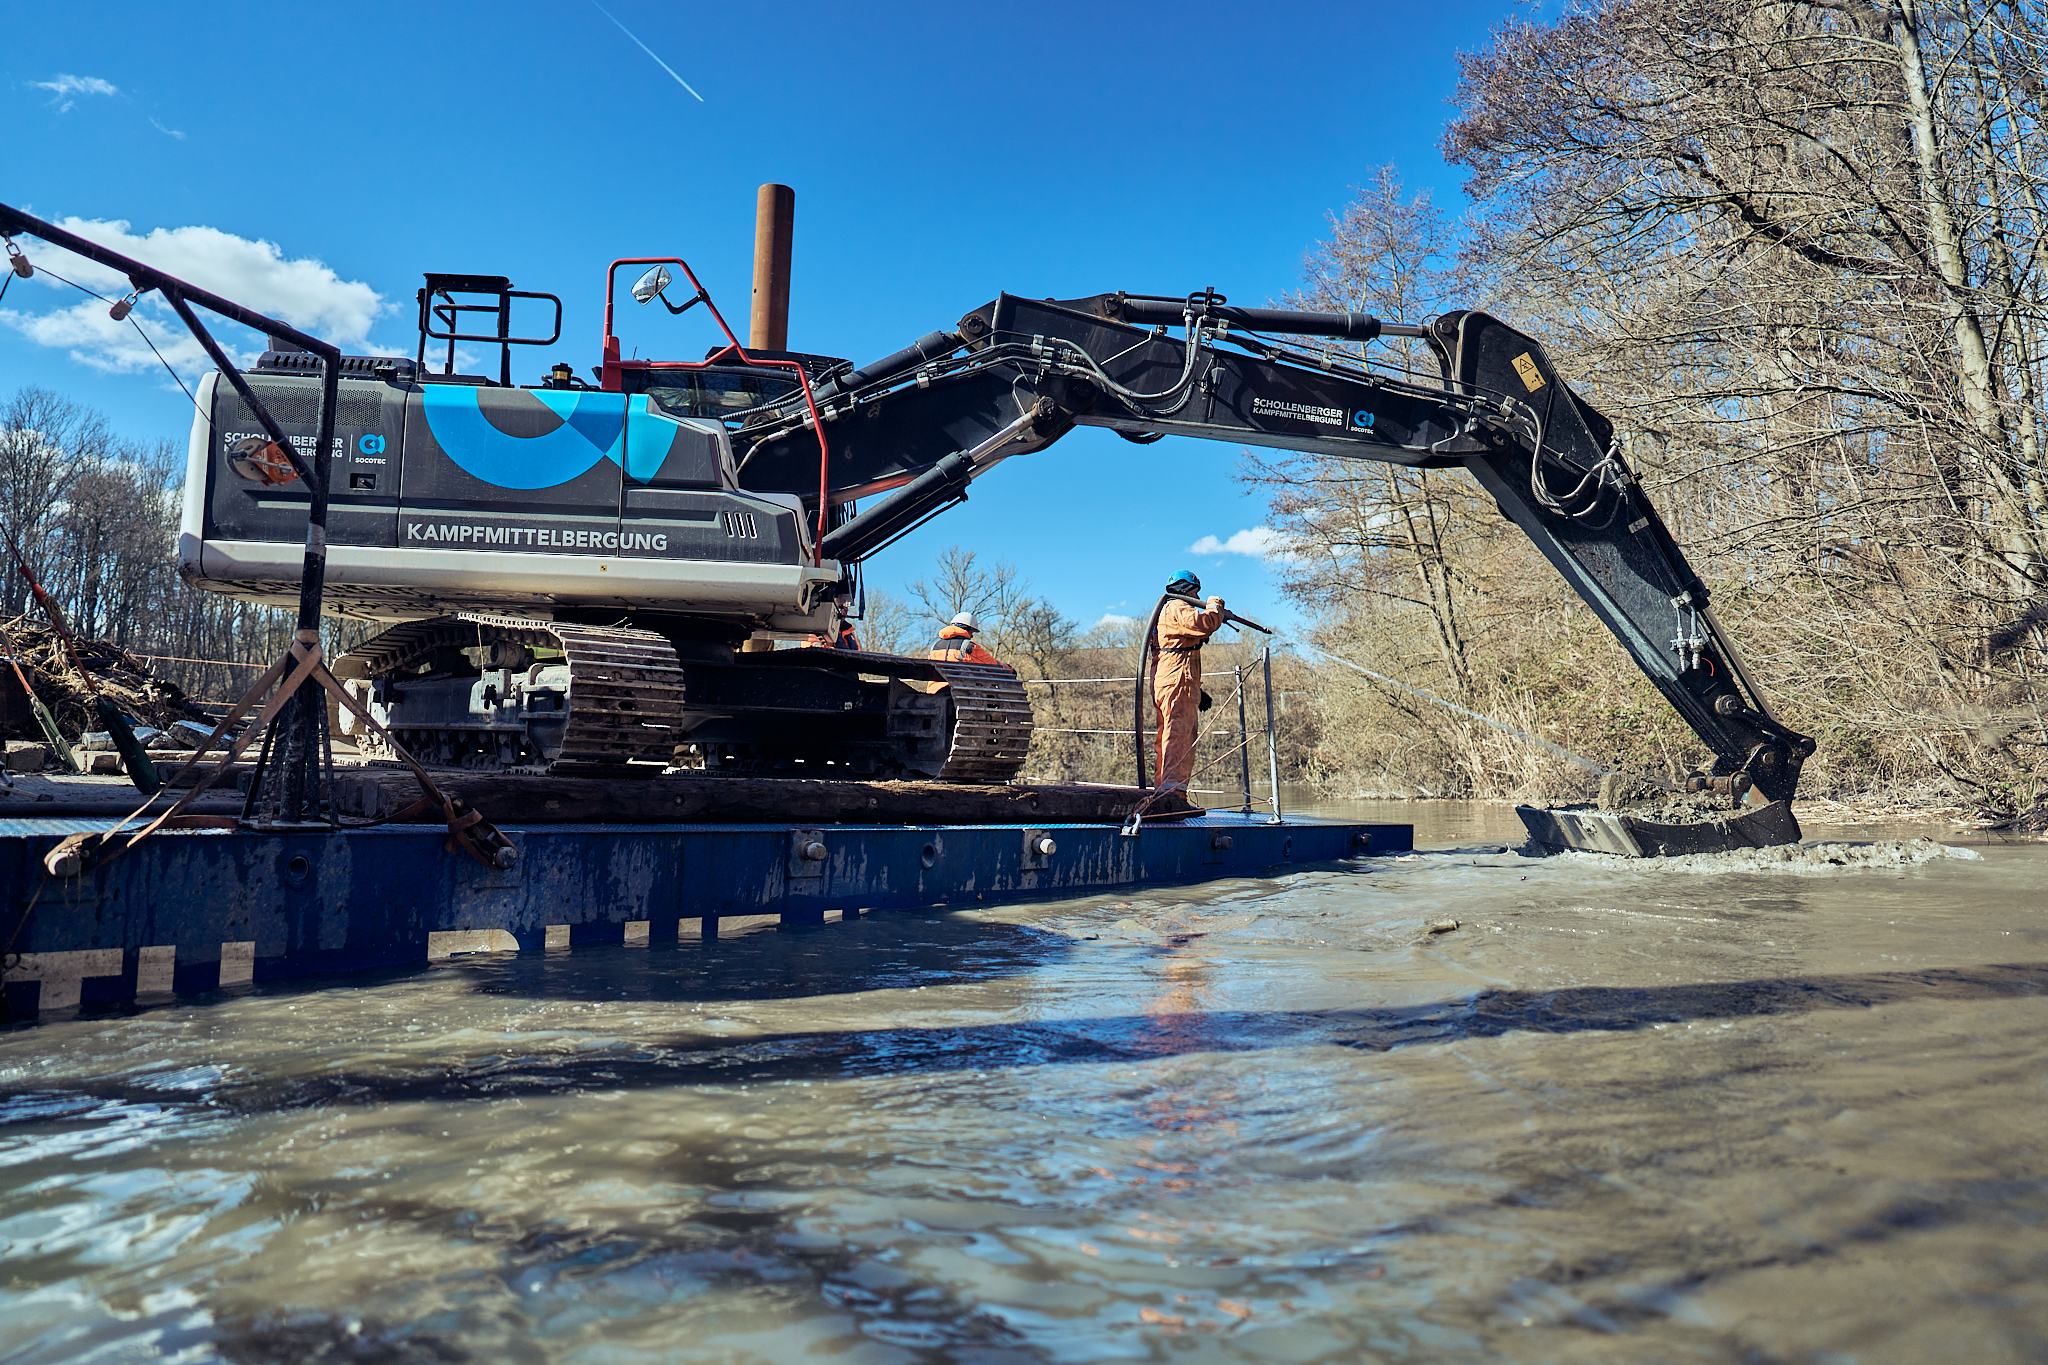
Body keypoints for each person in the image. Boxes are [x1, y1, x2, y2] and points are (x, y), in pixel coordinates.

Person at [1152, 568, 1224, 794]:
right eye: (1195, 595)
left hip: (1171, 682)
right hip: (1177, 684)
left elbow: (1179, 652)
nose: (1196, 601)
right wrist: (1215, 605)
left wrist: (1196, 691)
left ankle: (1161, 793)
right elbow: (1204, 624)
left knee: (1168, 739)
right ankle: (1173, 798)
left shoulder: (1165, 612)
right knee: (1179, 738)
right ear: (1187, 590)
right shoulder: (1176, 607)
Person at [928, 611, 1007, 668]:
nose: (972, 636)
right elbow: (991, 664)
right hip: (957, 689)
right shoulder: (968, 646)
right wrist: (1008, 668)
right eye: (972, 632)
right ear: (967, 629)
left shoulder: (934, 647)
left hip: (934, 691)